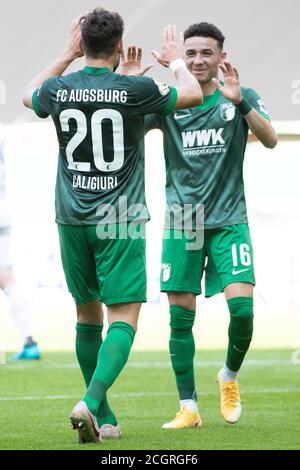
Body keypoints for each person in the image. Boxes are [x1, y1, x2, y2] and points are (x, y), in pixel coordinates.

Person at [23, 8, 202, 443]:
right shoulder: (134, 87)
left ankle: (104, 418)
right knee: (123, 315)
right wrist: (176, 60)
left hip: (71, 214)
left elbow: (28, 94)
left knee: (87, 313)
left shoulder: (60, 88)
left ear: (82, 43)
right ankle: (90, 401)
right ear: (120, 46)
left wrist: (65, 55)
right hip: (119, 215)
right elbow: (193, 94)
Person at [144, 22, 277, 428]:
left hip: (229, 219)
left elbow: (270, 139)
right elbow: (129, 126)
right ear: (181, 58)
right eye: (191, 53)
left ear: (221, 56)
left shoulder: (239, 96)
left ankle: (229, 376)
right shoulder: (169, 101)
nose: (198, 60)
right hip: (183, 221)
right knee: (180, 317)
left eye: (206, 53)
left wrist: (241, 104)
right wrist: (133, 83)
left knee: (243, 310)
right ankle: (189, 407)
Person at [0, 137, 40, 361]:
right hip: (3, 213)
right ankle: (29, 340)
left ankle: (29, 341)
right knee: (7, 280)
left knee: (7, 280)